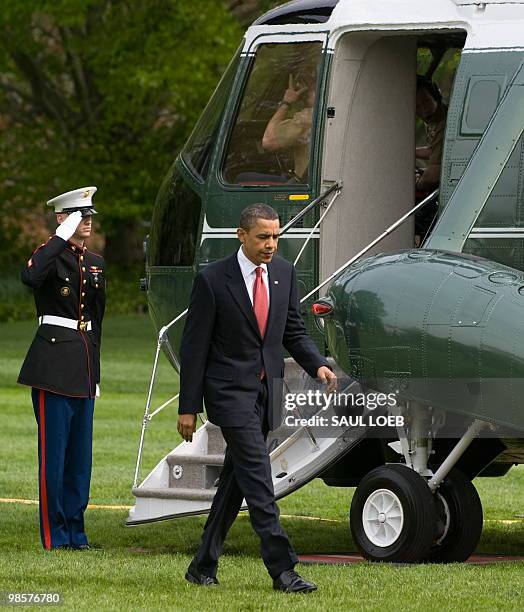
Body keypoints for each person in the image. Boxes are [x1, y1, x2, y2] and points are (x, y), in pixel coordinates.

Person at [177, 203, 336, 593]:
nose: (271, 244)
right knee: (259, 479)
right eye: (263, 236)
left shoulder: (283, 273)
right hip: (229, 395)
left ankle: (203, 564)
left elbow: (293, 331)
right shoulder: (213, 280)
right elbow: (194, 348)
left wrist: (317, 365)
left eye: (276, 236)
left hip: (267, 395)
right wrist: (187, 407)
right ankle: (283, 569)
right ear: (241, 235)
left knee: (237, 479)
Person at [18, 187, 106, 550]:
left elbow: (96, 322)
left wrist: (95, 374)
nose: (86, 221)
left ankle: (76, 531)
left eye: (88, 216)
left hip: (83, 366)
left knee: (79, 459)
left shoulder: (95, 261)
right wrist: (60, 236)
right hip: (53, 366)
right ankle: (55, 534)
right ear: (62, 217)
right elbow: (31, 277)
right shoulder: (49, 256)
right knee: (54, 458)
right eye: (78, 215)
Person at [260, 73, 316, 183]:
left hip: (304, 183)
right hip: (314, 181)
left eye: (313, 84)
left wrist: (287, 102)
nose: (307, 89)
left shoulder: (308, 118)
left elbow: (268, 141)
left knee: (241, 177)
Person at [415, 75, 448, 191]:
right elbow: (433, 150)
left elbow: (434, 175)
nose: (424, 109)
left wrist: (416, 186)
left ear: (436, 96)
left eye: (426, 102)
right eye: (418, 107)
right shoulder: (434, 118)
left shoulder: (444, 124)